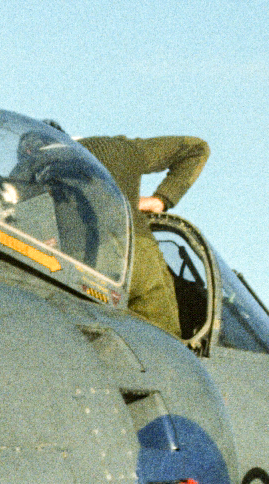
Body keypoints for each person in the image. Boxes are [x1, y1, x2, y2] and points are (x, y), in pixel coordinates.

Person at [75, 135, 209, 338]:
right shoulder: (118, 148)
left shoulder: (40, 163)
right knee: (165, 346)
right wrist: (161, 200)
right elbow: (197, 148)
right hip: (135, 251)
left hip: (79, 259)